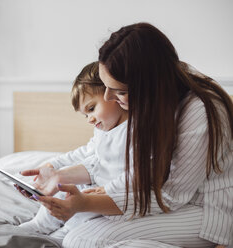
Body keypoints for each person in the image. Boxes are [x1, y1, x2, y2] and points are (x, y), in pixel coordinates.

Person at [33, 22, 233, 248]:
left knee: (82, 240)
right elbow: (142, 169)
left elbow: (171, 195)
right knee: (80, 231)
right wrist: (98, 191)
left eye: (119, 91)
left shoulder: (200, 111)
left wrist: (89, 201)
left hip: (205, 210)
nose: (108, 97)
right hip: (167, 199)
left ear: (146, 84)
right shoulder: (157, 99)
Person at [18, 61, 128, 241]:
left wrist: (101, 188)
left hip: (111, 196)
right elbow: (84, 153)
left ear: (112, 93)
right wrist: (53, 166)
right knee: (64, 186)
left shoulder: (133, 131)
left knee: (83, 199)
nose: (90, 120)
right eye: (85, 115)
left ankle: (62, 234)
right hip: (95, 185)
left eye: (92, 109)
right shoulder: (102, 130)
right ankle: (40, 225)